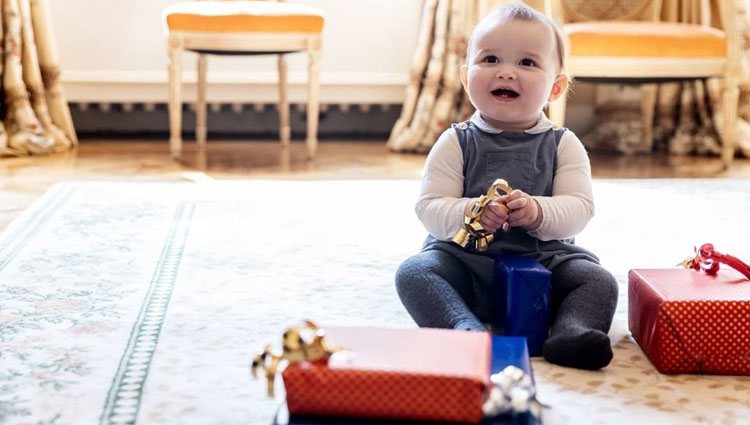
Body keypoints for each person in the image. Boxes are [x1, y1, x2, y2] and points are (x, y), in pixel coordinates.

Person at [394, 2, 618, 370]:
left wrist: (538, 211)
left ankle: (571, 332)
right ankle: (462, 330)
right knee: (414, 273)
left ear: (556, 87)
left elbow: (579, 209)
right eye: (491, 59)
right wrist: (469, 212)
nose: (506, 73)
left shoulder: (564, 144)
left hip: (545, 264)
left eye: (527, 63)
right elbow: (429, 207)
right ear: (466, 77)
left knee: (597, 280)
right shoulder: (456, 141)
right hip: (464, 263)